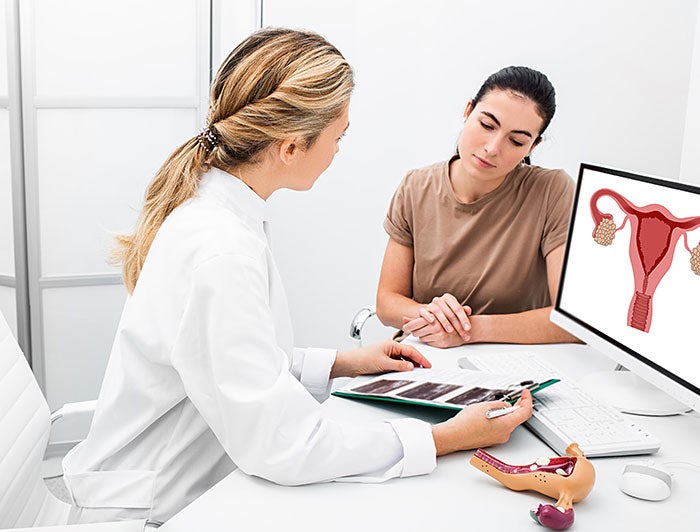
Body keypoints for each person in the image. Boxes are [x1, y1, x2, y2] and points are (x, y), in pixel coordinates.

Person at [61, 29, 532, 526]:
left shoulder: (221, 210)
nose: (337, 152)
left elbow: (238, 361)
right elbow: (283, 446)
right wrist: (450, 437)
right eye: (338, 137)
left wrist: (345, 363)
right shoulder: (221, 249)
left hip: (188, 481)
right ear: (290, 147)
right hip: (153, 510)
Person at [376, 66, 580, 348]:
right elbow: (387, 303)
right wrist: (434, 316)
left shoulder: (552, 191)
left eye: (517, 140)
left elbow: (569, 321)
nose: (493, 147)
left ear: (534, 145)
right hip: (428, 356)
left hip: (513, 364)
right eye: (487, 125)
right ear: (468, 111)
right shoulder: (416, 186)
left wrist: (468, 329)